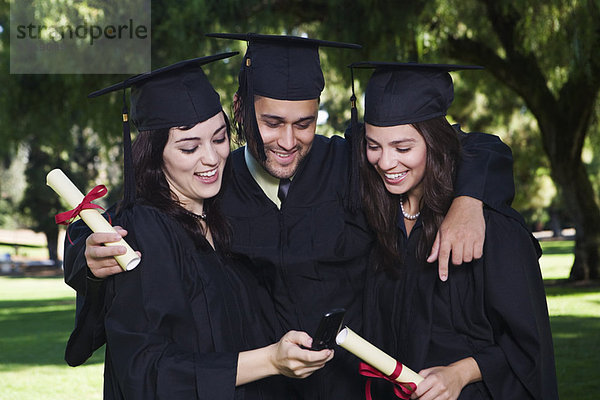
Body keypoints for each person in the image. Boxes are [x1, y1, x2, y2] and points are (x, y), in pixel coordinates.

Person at [64, 34, 517, 399]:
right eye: (272, 122)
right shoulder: (217, 192)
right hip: (259, 387)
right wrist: (87, 257)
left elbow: (469, 146)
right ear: (242, 110)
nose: (288, 140)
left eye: (304, 123)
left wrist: (469, 199)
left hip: (354, 385)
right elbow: (126, 221)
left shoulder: (352, 164)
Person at [68, 53, 334, 399]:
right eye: (189, 147)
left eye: (220, 138)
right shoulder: (142, 232)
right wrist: (270, 360)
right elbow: (147, 372)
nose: (211, 158)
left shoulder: (219, 214)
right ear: (154, 154)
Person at [354, 62, 558, 399]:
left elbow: (528, 346)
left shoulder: (490, 228)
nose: (386, 162)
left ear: (435, 142)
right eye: (374, 146)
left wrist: (460, 373)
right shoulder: (380, 217)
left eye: (403, 148)